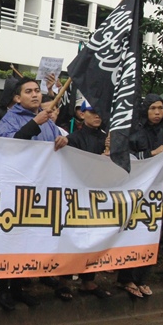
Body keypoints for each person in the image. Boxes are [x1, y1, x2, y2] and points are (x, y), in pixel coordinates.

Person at [0, 78, 67, 310]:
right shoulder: (10, 118)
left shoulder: (48, 122)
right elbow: (9, 145)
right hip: (15, 189)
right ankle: (3, 289)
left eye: (37, 90)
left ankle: (19, 288)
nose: (35, 95)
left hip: (39, 190)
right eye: (28, 91)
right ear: (17, 98)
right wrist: (34, 123)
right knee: (11, 239)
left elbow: (55, 147)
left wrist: (63, 140)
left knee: (27, 240)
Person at [119, 94, 163, 298]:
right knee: (133, 232)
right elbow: (127, 158)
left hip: (156, 192)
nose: (157, 113)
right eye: (153, 108)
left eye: (160, 108)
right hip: (137, 191)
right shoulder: (134, 133)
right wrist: (151, 155)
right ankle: (126, 278)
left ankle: (142, 278)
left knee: (151, 233)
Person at [63, 101, 113, 299]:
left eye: (100, 111)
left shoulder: (107, 139)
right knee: (72, 238)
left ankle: (88, 280)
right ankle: (64, 281)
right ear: (82, 114)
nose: (97, 115)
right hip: (76, 196)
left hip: (99, 197)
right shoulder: (73, 139)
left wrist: (110, 154)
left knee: (94, 238)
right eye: (92, 111)